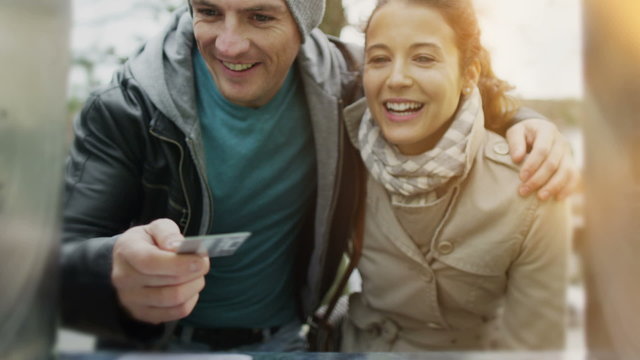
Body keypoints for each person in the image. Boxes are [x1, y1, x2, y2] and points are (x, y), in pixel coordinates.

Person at [60, 0, 577, 352]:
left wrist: (526, 122)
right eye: (208, 12)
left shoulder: (352, 84)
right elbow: (50, 267)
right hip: (147, 350)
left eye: (260, 16)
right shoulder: (126, 107)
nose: (228, 44)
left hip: (287, 343)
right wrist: (108, 272)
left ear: (303, 20)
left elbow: (442, 91)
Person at [339, 0, 572, 351]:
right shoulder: (340, 155)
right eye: (380, 59)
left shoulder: (531, 185)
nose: (396, 78)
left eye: (424, 58)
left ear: (469, 75)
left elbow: (533, 346)